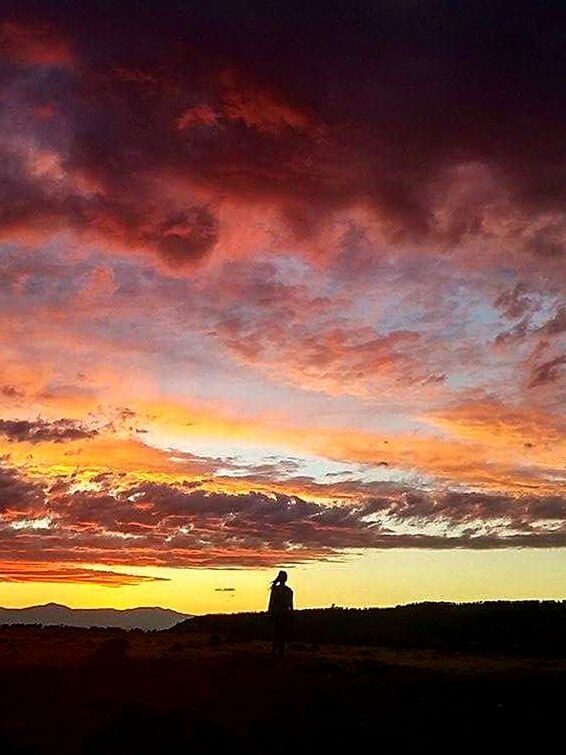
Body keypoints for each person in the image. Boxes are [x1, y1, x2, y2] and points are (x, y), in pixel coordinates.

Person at [267, 570, 293, 657]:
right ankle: (277, 650)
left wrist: (270, 612)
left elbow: (271, 603)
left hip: (281, 613)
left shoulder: (284, 590)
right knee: (278, 633)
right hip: (279, 613)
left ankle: (278, 650)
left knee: (278, 633)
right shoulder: (286, 590)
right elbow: (291, 605)